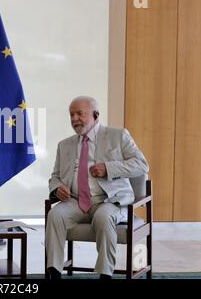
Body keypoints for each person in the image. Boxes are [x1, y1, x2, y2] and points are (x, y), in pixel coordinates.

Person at [46, 96, 149, 279]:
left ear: (95, 115)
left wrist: (109, 168)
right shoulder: (65, 145)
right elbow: (54, 177)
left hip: (110, 200)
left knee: (103, 216)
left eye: (80, 114)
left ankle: (104, 273)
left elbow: (141, 165)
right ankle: (53, 271)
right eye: (72, 115)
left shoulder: (118, 136)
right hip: (76, 201)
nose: (75, 119)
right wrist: (57, 188)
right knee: (55, 214)